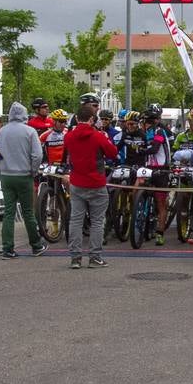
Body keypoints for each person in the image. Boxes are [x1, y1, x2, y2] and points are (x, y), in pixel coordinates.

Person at [63, 103, 117, 269]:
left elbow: (67, 154)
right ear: (92, 119)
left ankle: (75, 258)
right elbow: (112, 153)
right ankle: (95, 257)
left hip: (77, 183)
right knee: (97, 222)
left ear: (77, 118)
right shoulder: (98, 136)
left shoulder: (69, 136)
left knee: (76, 221)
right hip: (96, 183)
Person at [0, 101, 47, 259]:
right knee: (28, 212)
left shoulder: (1, 132)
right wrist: (33, 170)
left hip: (6, 175)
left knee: (8, 213)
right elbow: (37, 155)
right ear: (24, 114)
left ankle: (7, 249)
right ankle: (36, 245)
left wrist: (0, 173)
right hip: (24, 176)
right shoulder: (30, 132)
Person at [140, 104, 172, 245]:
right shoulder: (145, 132)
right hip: (148, 168)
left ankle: (160, 233)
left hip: (161, 169)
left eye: (149, 121)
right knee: (138, 189)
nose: (146, 124)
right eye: (145, 121)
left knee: (160, 203)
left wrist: (141, 150)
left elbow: (154, 149)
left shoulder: (160, 131)